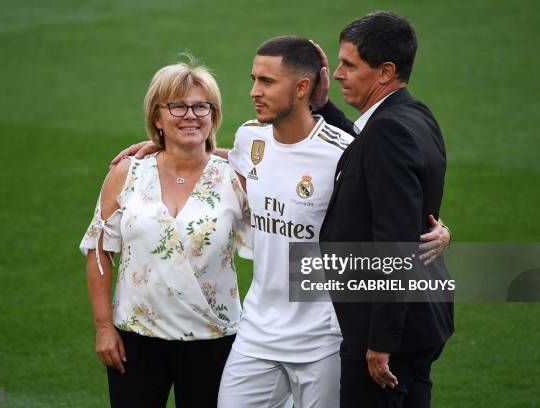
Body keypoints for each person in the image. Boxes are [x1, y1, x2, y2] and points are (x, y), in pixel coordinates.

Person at [113, 36, 451, 408]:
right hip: (257, 330)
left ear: (302, 87)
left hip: (322, 333)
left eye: (267, 82)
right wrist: (165, 150)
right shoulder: (248, 139)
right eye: (254, 79)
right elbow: (234, 168)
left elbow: (393, 200)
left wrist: (437, 229)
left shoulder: (343, 152)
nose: (254, 92)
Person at [79, 59, 251, 408]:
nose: (191, 114)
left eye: (201, 106)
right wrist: (103, 327)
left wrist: (221, 155)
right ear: (157, 117)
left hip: (213, 338)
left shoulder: (237, 177)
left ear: (213, 115)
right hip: (136, 338)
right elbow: (99, 249)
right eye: (177, 106)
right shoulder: (127, 172)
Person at [316, 11, 454, 408]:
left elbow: (393, 244)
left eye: (348, 64)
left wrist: (379, 343)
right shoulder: (415, 115)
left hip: (389, 334)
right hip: (421, 321)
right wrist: (325, 109)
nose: (338, 73)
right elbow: (364, 144)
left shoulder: (387, 133)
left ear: (384, 72)